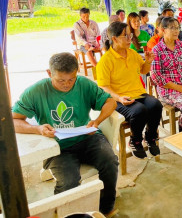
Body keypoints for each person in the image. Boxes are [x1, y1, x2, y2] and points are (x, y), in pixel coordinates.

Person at [12, 52, 118, 216]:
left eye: (71, 79)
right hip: (58, 147)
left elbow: (110, 101)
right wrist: (37, 129)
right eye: (61, 80)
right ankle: (66, 214)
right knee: (69, 182)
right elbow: (13, 120)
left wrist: (97, 122)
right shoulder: (37, 91)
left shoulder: (83, 84)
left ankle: (106, 207)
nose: (67, 85)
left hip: (87, 138)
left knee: (110, 161)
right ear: (49, 73)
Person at [96, 21, 162, 159]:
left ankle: (150, 137)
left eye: (130, 35)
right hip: (118, 98)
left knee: (156, 105)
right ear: (114, 39)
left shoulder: (132, 53)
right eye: (125, 36)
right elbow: (103, 87)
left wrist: (148, 62)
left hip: (138, 93)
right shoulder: (106, 60)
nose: (129, 39)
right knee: (139, 111)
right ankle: (135, 140)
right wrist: (119, 97)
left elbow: (143, 70)